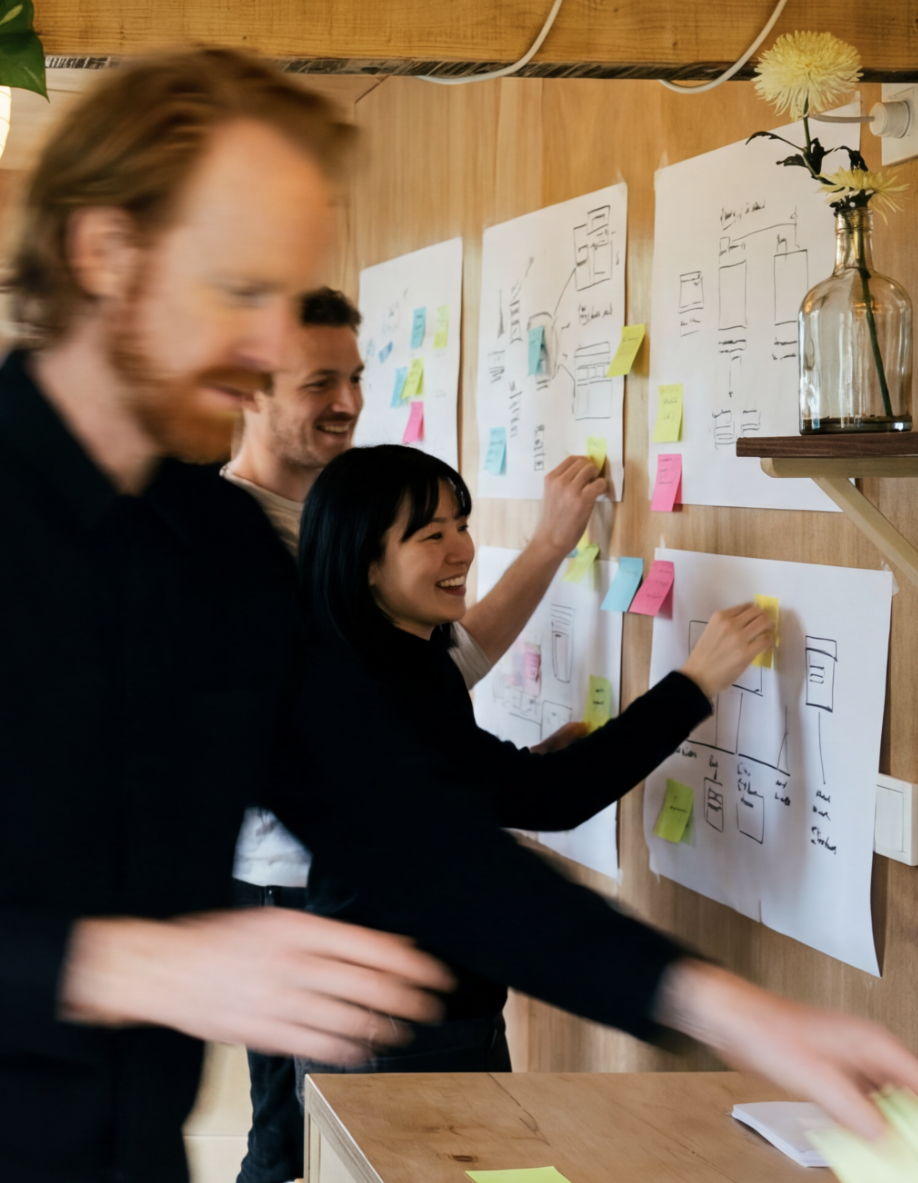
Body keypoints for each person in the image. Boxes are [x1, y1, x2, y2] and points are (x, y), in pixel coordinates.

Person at [0, 47, 918, 1183]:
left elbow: (414, 834)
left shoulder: (215, 552)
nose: (270, 351)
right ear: (105, 253)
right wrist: (145, 959)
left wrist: (730, 1009)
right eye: (240, 288)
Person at [236, 444, 774, 1180]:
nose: (463, 548)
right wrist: (696, 680)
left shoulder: (400, 652)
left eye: (462, 522)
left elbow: (464, 787)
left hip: (430, 1008)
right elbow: (551, 799)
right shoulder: (380, 679)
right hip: (401, 1025)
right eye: (431, 535)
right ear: (364, 561)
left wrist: (512, 774)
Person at [223, 289, 612, 1182]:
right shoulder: (240, 538)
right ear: (248, 388)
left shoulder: (345, 511)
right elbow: (376, 705)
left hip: (349, 881)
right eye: (319, 380)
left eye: (355, 377)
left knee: (319, 1133)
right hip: (296, 883)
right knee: (299, 1138)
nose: (349, 402)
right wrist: (550, 548)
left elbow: (425, 674)